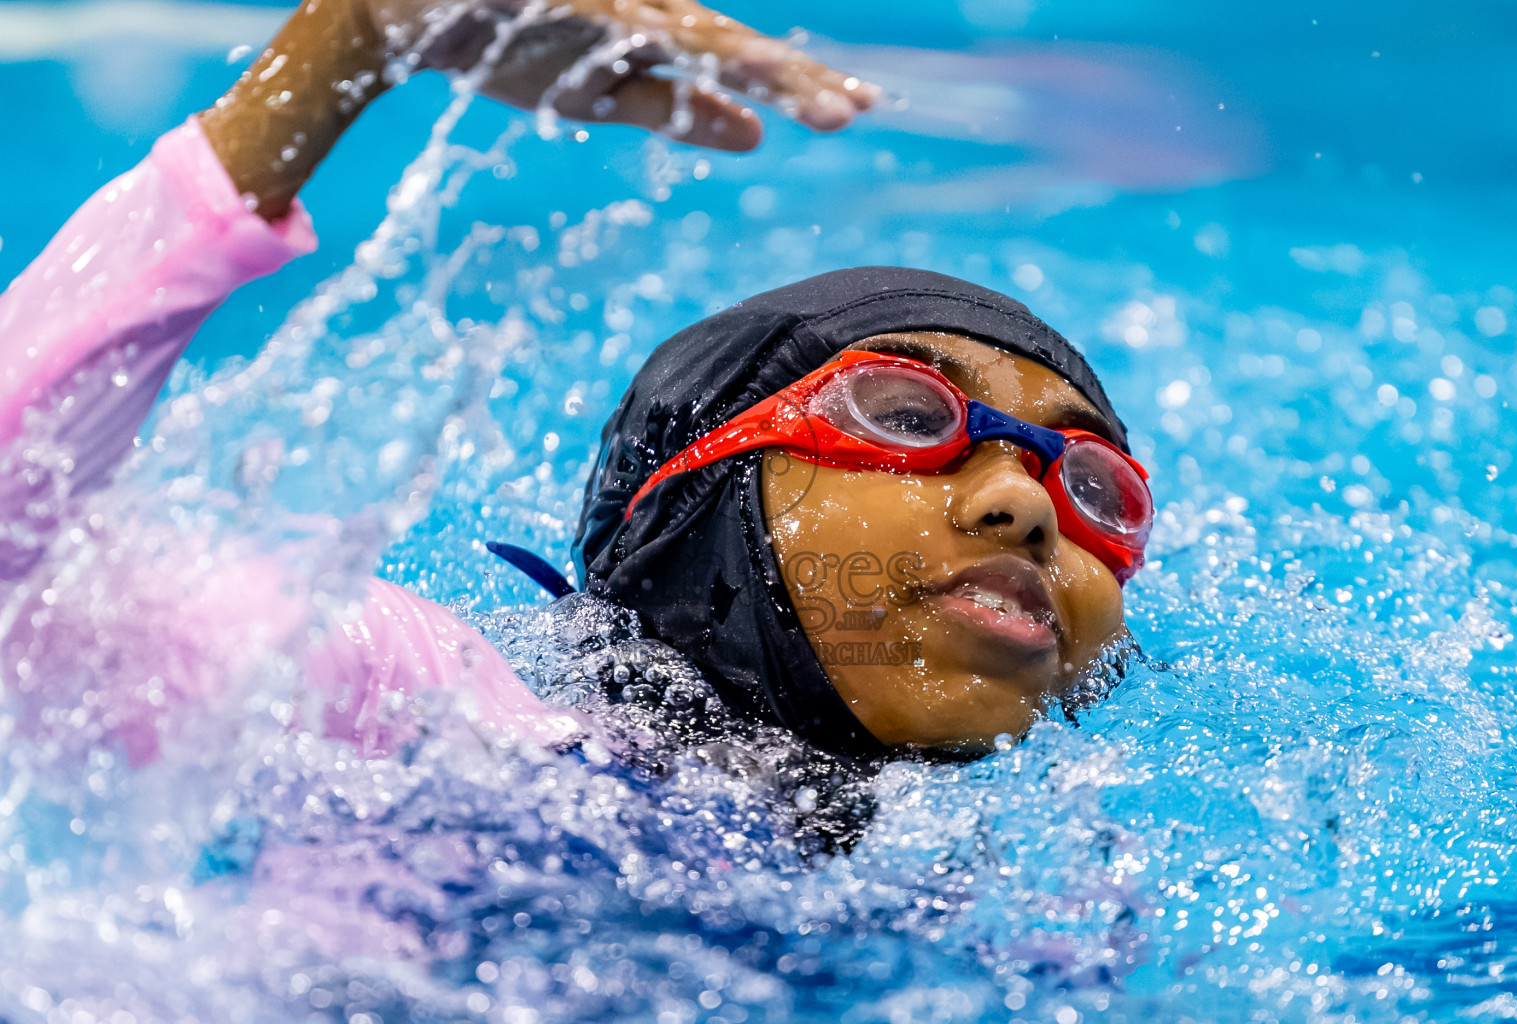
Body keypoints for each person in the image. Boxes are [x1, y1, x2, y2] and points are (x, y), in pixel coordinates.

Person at [0, 0, 1150, 778]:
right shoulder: (436, 709)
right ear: (701, 498)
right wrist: (345, 49)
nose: (1030, 506)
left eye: (1096, 484)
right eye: (906, 417)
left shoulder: (1071, 901)